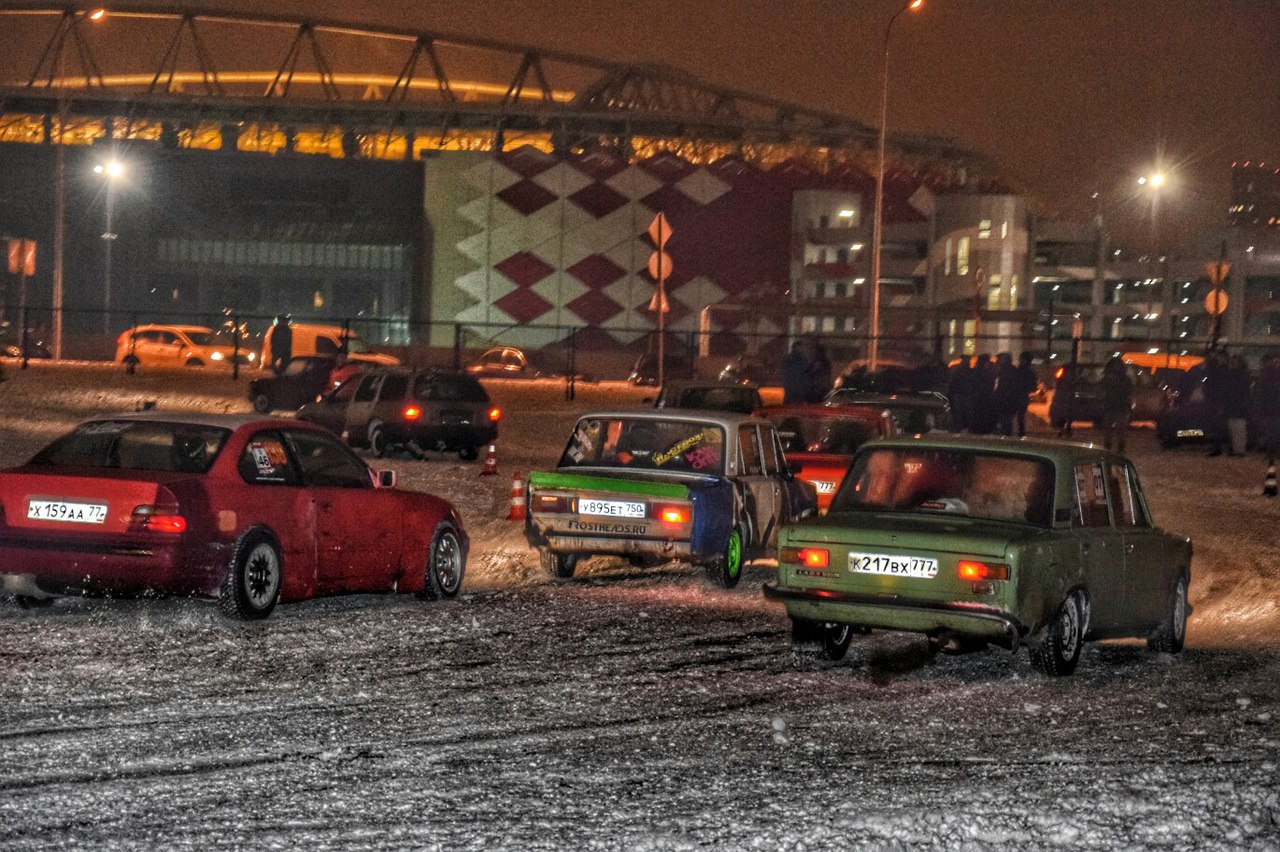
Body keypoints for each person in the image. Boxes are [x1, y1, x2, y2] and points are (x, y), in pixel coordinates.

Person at [1099, 355, 1134, 453]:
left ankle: (1108, 447)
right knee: (1120, 430)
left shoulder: (1107, 378)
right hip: (1120, 406)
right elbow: (1129, 392)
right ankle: (1120, 448)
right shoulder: (1125, 379)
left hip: (1111, 405)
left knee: (1109, 429)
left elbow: (1102, 390)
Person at [993, 353, 1022, 436]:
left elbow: (1003, 387)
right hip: (1008, 402)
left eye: (999, 360)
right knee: (1006, 422)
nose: (997, 361)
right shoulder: (1011, 370)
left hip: (1006, 402)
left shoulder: (1005, 371)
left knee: (1005, 422)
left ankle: (1005, 438)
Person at [1013, 352, 1039, 437]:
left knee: (1014, 415)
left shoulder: (1019, 371)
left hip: (1017, 396)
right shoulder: (1030, 372)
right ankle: (1020, 432)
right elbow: (1034, 387)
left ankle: (1016, 432)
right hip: (1023, 396)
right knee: (1020, 416)